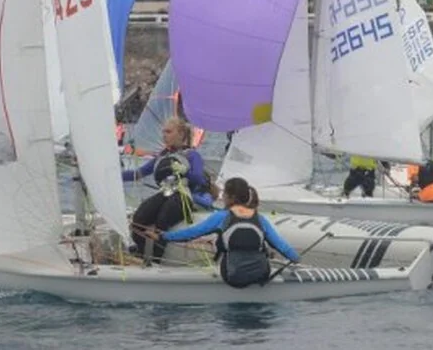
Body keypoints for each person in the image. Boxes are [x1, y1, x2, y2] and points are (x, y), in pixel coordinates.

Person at [159, 177, 300, 288]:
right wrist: (295, 258)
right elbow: (280, 245)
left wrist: (163, 236)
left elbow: (191, 233)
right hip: (261, 274)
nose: (222, 196)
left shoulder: (221, 217)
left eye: (224, 193)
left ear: (231, 198)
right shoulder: (260, 219)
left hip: (233, 276)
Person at [122, 117, 215, 262]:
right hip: (165, 192)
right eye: (163, 132)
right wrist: (113, 176)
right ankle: (140, 255)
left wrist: (185, 171)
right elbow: (138, 174)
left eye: (168, 132)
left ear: (181, 134)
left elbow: (199, 179)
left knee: (163, 218)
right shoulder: (162, 156)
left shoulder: (192, 155)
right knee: (139, 217)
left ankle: (156, 259)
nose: (164, 135)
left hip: (183, 195)